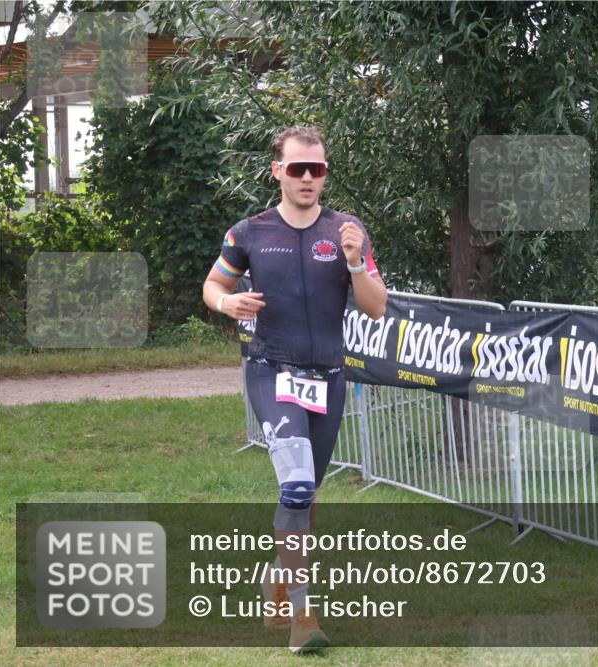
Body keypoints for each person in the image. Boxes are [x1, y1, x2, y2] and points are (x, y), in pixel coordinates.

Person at [203, 126, 387, 654]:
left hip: (329, 377)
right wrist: (225, 304)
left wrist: (354, 262)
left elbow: (376, 307)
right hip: (272, 371)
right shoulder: (250, 232)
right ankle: (303, 618)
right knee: (299, 486)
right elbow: (214, 284)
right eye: (298, 168)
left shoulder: (348, 231)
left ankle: (276, 577)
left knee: (308, 498)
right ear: (277, 171)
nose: (309, 178)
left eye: (318, 169)